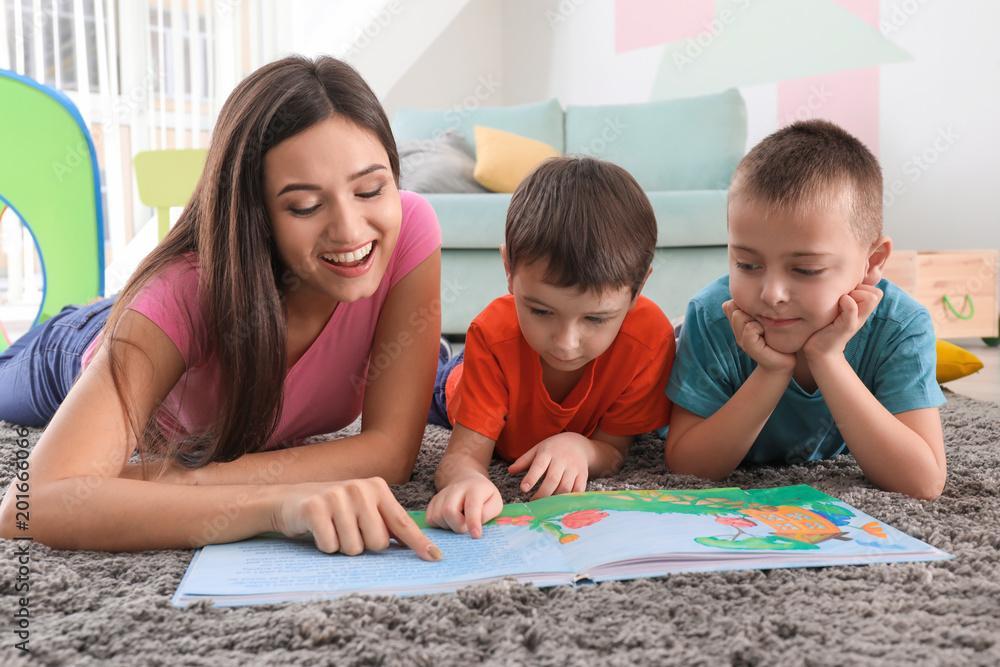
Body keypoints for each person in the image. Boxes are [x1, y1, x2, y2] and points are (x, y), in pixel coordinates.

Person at [0, 55, 445, 559]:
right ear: (256, 214)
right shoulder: (181, 294)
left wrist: (172, 480)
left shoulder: (410, 232)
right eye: (304, 206)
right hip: (76, 346)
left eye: (370, 189)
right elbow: (28, 506)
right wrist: (273, 504)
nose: (350, 230)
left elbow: (391, 452)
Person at [663, 119, 946, 500]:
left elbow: (923, 483)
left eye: (806, 270)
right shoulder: (712, 316)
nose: (772, 294)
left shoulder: (901, 326)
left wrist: (827, 358)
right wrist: (771, 370)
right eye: (747, 265)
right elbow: (687, 467)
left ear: (872, 261)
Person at [426, 156, 675, 537]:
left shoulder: (649, 341)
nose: (565, 343)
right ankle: (442, 357)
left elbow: (614, 450)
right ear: (509, 270)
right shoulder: (493, 337)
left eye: (595, 318)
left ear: (637, 291)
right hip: (463, 386)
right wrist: (467, 483)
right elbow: (460, 459)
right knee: (428, 384)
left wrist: (582, 448)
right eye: (541, 310)